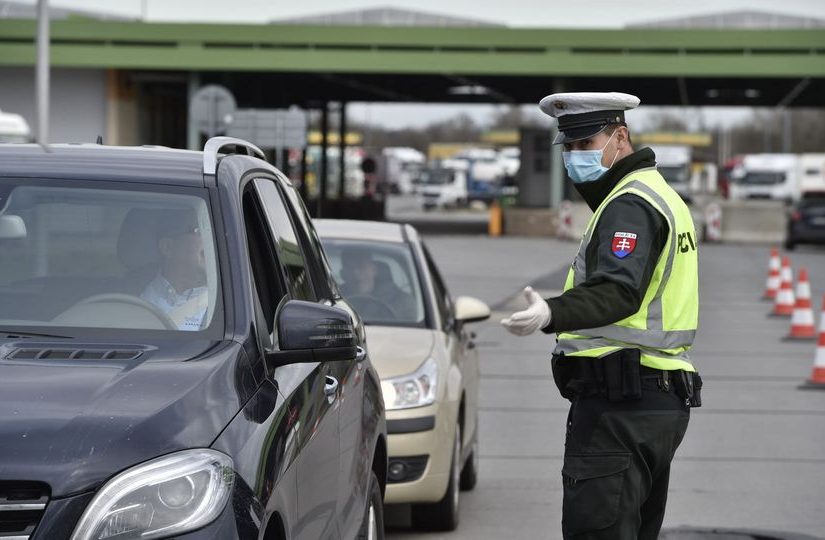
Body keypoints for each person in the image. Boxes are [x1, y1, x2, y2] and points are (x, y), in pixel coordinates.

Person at [501, 92, 702, 540]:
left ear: (620, 137)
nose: (575, 157)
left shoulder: (629, 203)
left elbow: (618, 290)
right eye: (569, 148)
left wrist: (551, 312)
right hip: (653, 400)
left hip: (622, 406)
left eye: (585, 144)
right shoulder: (655, 193)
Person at [141, 211, 208, 331]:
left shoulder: (228, 300)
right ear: (168, 247)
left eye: (210, 230)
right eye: (199, 231)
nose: (211, 239)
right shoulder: (136, 303)